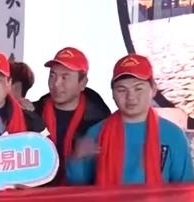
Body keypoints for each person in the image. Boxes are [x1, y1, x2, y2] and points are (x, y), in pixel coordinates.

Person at [66, 54, 193, 185]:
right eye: (122, 90)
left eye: (138, 88)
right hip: (109, 199)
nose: (131, 97)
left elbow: (186, 188)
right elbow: (78, 186)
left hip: (157, 200)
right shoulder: (96, 133)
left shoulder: (173, 135)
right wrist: (77, 158)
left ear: (153, 89)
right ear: (113, 93)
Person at [31, 47, 111, 185]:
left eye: (65, 77)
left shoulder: (99, 122)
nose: (56, 84)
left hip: (80, 196)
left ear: (82, 83)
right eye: (52, 75)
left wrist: (78, 159)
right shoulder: (33, 114)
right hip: (38, 194)